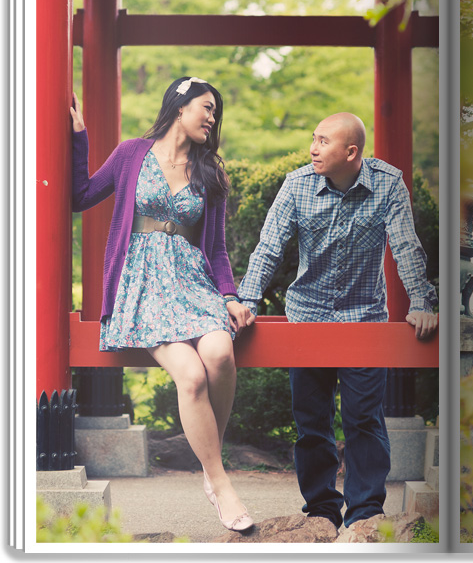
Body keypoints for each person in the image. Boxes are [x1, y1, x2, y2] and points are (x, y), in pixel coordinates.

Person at [70, 77, 255, 532]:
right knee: (191, 377)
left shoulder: (212, 172)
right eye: (206, 107)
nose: (212, 118)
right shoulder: (133, 153)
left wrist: (230, 294)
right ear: (179, 105)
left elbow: (216, 249)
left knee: (219, 354)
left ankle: (211, 450)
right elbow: (80, 196)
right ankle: (220, 482)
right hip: (142, 287)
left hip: (193, 283)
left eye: (216, 112)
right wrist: (79, 136)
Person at [236, 112, 438, 530]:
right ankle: (322, 512)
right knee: (312, 422)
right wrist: (246, 300)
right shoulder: (297, 184)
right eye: (313, 138)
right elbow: (268, 247)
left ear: (351, 152)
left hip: (363, 318)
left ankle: (364, 514)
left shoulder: (387, 183)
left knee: (364, 418)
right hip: (307, 316)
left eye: (323, 141)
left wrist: (421, 300)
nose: (313, 148)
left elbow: (405, 246)